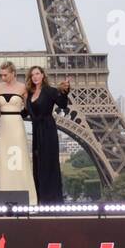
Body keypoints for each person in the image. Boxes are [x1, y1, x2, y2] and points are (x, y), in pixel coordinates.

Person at [25, 65, 71, 204]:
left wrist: (65, 91)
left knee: (49, 164)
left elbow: (62, 104)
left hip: (48, 130)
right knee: (39, 165)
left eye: (37, 73)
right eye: (32, 74)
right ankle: (41, 199)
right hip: (37, 132)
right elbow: (26, 112)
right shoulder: (30, 93)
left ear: (43, 75)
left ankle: (52, 200)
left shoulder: (50, 91)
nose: (35, 76)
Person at [0, 60, 37, 204]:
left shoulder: (23, 87)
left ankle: (26, 196)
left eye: (5, 75)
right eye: (1, 75)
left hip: (16, 125)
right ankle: (6, 195)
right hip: (4, 126)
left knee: (19, 159)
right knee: (5, 161)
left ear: (13, 74)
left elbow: (30, 107)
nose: (3, 78)